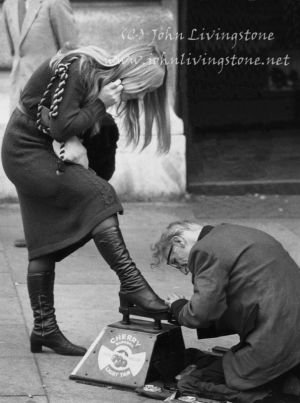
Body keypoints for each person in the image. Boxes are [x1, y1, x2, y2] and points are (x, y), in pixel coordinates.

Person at [1, 44, 170, 357]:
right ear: (132, 75)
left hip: (35, 146)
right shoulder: (82, 68)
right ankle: (132, 284)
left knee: (43, 240)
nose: (143, 96)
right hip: (26, 149)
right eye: (145, 88)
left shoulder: (92, 76)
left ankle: (43, 329)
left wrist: (96, 115)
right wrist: (101, 104)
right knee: (101, 195)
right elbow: (63, 126)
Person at [152, 221, 300, 402]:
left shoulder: (205, 250)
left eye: (175, 261)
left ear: (178, 242)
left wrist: (178, 306)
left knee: (190, 383)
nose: (184, 270)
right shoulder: (236, 232)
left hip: (276, 340)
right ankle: (285, 380)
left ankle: (270, 397)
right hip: (291, 331)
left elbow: (199, 314)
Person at [3, 0, 78, 247]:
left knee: (51, 160)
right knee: (26, 162)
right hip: (20, 96)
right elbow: (17, 53)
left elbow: (72, 51)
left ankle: (63, 226)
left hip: (50, 96)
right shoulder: (9, 5)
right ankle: (36, 229)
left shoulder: (54, 2)